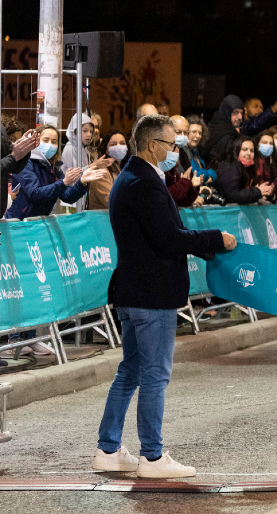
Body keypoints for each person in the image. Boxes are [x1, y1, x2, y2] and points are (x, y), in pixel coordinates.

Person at [92, 114, 236, 479]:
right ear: (154, 145)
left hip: (133, 290)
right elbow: (168, 237)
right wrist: (214, 239)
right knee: (154, 375)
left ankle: (108, 449)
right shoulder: (143, 182)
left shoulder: (132, 177)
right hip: (149, 294)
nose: (175, 151)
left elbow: (167, 230)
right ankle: (152, 458)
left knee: (132, 371)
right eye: (172, 145)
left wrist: (204, 243)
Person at [5, 125, 106, 219]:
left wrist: (82, 182)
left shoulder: (54, 168)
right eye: (45, 140)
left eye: (54, 141)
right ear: (35, 141)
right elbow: (35, 194)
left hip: (38, 223)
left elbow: (67, 196)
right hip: (18, 223)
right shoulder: (25, 163)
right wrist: (64, 182)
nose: (50, 144)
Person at [216, 136, 277, 205]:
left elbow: (244, 193)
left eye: (252, 150)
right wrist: (257, 191)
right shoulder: (231, 167)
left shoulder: (248, 167)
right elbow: (232, 197)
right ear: (237, 150)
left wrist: (256, 195)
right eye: (245, 149)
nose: (249, 153)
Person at [88, 131, 128, 211]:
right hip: (101, 220)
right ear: (107, 150)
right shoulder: (100, 171)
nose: (119, 147)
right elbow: (109, 200)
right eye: (113, 144)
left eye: (122, 143)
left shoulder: (122, 169)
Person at [184, 116, 216, 184]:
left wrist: (210, 174)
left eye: (200, 133)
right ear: (186, 133)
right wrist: (208, 174)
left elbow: (212, 173)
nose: (198, 136)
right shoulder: (183, 151)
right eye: (194, 132)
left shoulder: (195, 151)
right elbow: (196, 175)